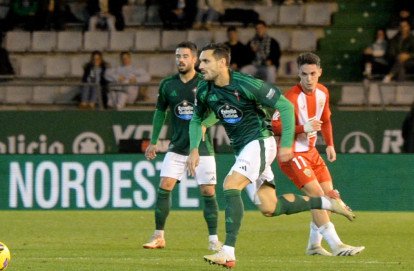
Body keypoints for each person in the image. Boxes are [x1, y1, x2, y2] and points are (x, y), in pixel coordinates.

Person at [187, 43, 355, 268]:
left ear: (222, 62)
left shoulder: (246, 84)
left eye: (205, 61)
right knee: (270, 208)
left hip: (259, 142)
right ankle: (325, 202)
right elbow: (197, 119)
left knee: (230, 184)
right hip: (243, 150)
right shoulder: (205, 89)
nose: (200, 66)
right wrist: (194, 149)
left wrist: (286, 144)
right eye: (200, 61)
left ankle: (227, 251)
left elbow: (284, 106)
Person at [272, 53, 365, 256]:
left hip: (312, 153)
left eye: (313, 74)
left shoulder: (323, 92)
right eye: (304, 74)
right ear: (298, 73)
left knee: (328, 200)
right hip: (292, 153)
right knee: (317, 197)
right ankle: (337, 245)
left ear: (320, 73)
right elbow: (274, 126)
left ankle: (314, 246)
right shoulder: (290, 98)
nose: (308, 79)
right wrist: (302, 128)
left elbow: (326, 119)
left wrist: (330, 144)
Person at [143, 42, 220, 252]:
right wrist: (153, 141)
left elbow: (217, 110)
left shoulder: (206, 82)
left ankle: (213, 239)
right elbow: (160, 112)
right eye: (178, 56)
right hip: (177, 146)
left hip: (203, 147)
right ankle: (159, 235)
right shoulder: (168, 84)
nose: (181, 60)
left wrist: (205, 124)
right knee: (164, 185)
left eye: (185, 56)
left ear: (195, 60)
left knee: (207, 190)